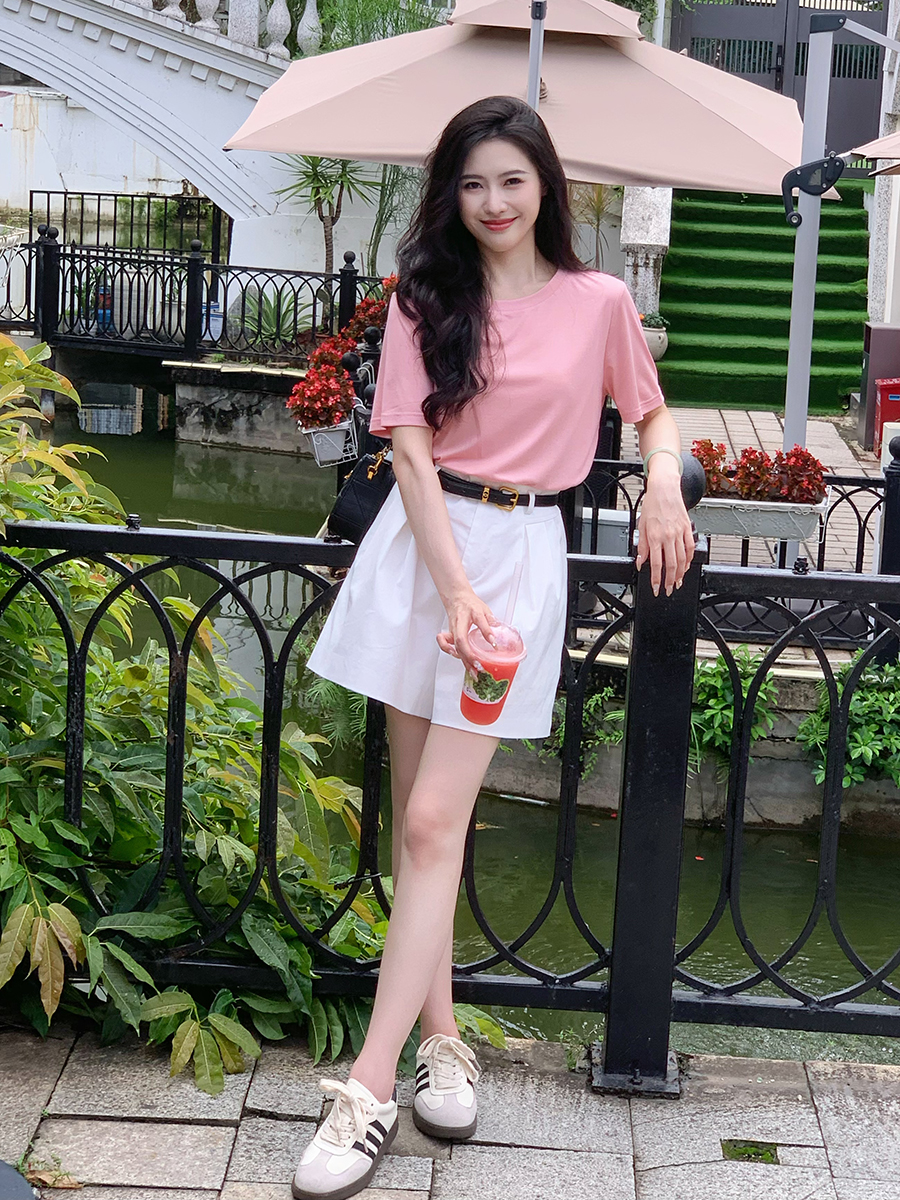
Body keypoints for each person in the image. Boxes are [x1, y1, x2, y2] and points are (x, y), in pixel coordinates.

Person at [292, 94, 694, 1200]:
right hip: (423, 554)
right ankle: (442, 1042)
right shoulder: (426, 296)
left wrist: (663, 482)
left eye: (512, 180)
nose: (492, 202)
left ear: (546, 185)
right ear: (451, 194)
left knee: (431, 821)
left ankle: (367, 1089)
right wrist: (452, 589)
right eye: (471, 183)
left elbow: (652, 412)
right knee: (420, 814)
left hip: (519, 562)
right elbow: (410, 453)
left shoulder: (599, 301)